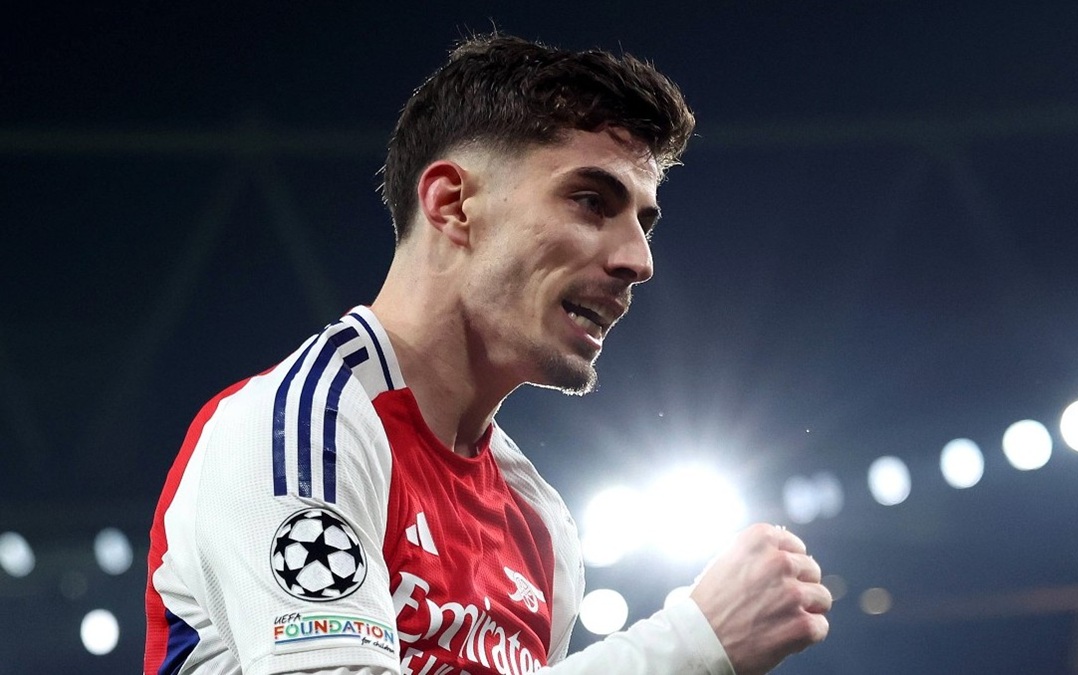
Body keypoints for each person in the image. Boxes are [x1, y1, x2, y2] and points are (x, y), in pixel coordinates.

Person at [144, 33, 831, 675]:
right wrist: (689, 646)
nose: (638, 260)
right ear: (452, 205)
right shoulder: (298, 429)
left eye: (643, 224)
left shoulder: (539, 521)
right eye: (592, 201)